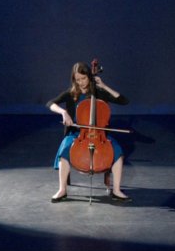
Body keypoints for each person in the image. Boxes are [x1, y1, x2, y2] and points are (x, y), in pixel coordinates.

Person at [47, 62, 131, 203]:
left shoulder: (99, 92)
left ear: (90, 77)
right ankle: (62, 190)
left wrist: (104, 86)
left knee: (117, 151)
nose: (80, 82)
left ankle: (116, 190)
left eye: (83, 79)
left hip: (100, 135)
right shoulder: (71, 93)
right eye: (77, 79)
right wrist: (63, 112)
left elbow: (124, 101)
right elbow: (50, 103)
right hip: (77, 134)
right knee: (65, 149)